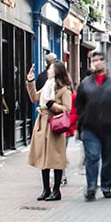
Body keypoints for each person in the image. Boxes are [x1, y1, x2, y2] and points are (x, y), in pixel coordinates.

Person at [75, 51, 111, 201]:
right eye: (94, 60)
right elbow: (78, 104)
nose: (97, 63)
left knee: (108, 158)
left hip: (110, 126)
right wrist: (83, 118)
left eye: (99, 60)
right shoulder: (85, 83)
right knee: (92, 156)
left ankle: (106, 186)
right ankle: (91, 186)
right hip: (90, 127)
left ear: (105, 62)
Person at [25, 62, 72, 201]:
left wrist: (53, 105)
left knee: (55, 159)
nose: (48, 71)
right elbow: (34, 97)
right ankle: (46, 189)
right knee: (43, 159)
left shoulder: (64, 90)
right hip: (42, 125)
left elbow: (67, 109)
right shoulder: (47, 86)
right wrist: (30, 81)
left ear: (57, 71)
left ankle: (56, 190)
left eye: (51, 69)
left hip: (55, 127)